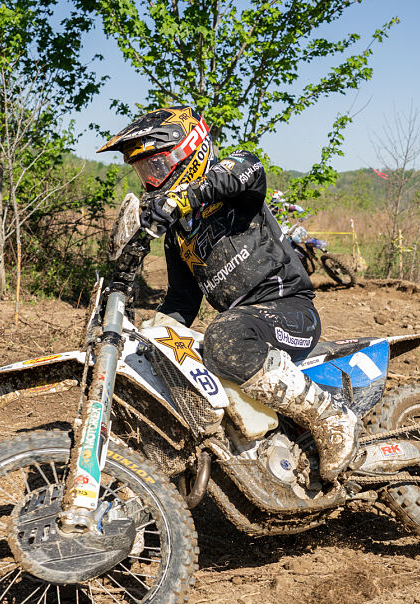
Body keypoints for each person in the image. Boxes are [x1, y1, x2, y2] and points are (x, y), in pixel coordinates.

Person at [97, 105, 357, 482]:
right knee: (162, 350)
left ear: (189, 150)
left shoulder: (235, 184)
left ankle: (332, 417)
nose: (151, 179)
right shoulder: (178, 234)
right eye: (144, 170)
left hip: (289, 311)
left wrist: (184, 197)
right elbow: (183, 302)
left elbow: (245, 169)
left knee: (223, 335)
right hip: (245, 324)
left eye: (156, 166)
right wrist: (144, 337)